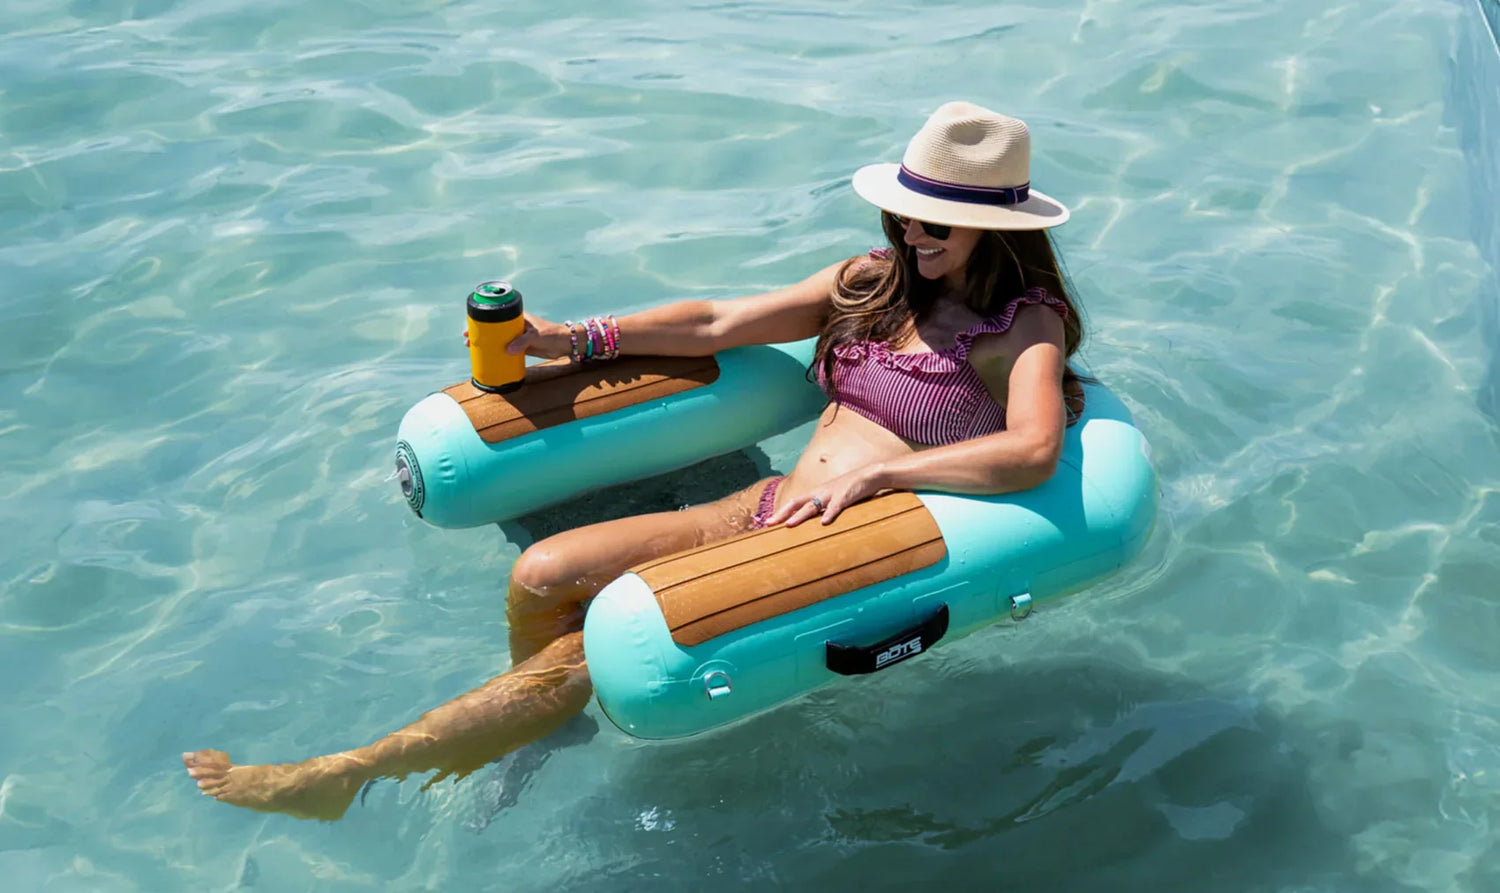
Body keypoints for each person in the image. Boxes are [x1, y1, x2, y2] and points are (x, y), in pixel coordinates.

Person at [183, 100, 1089, 821]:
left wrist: (881, 474)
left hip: (846, 534)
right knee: (542, 572)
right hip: (774, 501)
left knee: (593, 644)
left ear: (995, 229)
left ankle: (349, 772)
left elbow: (1033, 449)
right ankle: (542, 726)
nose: (911, 236)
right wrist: (570, 338)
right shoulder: (872, 280)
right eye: (904, 215)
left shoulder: (1021, 327)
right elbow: (719, 323)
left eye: (936, 226)